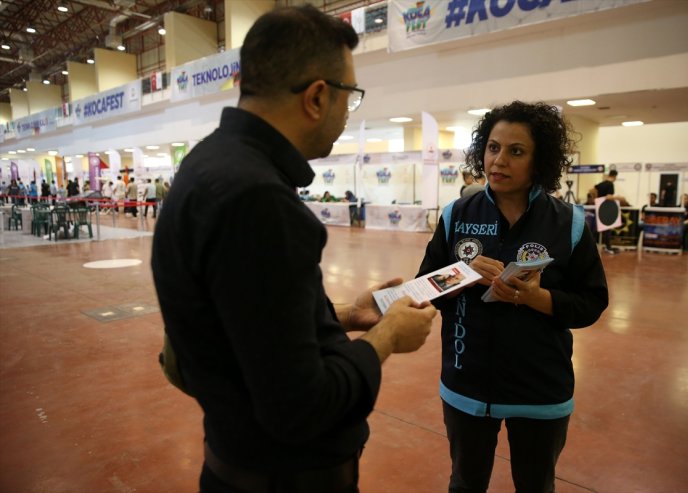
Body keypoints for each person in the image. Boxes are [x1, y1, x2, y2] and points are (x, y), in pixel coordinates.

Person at [151, 6, 438, 493]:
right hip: (286, 477)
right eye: (351, 95)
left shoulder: (209, 163)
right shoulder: (258, 199)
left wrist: (347, 314)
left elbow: (243, 321)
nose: (349, 111)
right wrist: (387, 336)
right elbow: (300, 407)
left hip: (237, 458)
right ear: (318, 97)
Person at [416, 101, 608, 493]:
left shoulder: (568, 223)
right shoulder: (456, 215)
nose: (498, 160)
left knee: (536, 485)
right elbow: (426, 287)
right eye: (492, 147)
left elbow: (591, 302)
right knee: (465, 484)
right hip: (465, 385)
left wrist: (536, 298)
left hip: (540, 391)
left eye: (516, 151)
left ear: (540, 161)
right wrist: (463, 275)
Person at [594, 169, 623, 254]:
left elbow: (592, 190)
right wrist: (619, 198)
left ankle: (593, 245)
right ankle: (608, 247)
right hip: (606, 208)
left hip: (599, 208)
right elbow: (608, 197)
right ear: (614, 176)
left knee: (597, 228)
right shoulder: (610, 184)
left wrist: (596, 199)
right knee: (607, 228)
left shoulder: (601, 184)